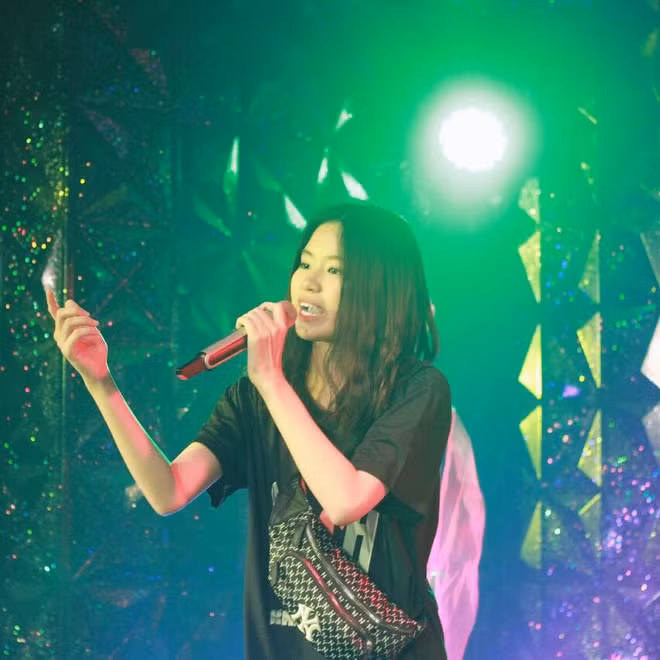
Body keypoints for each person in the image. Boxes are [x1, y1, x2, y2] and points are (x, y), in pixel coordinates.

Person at [46, 202, 452, 659]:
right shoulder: (255, 398)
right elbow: (168, 491)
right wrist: (100, 382)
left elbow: (346, 500)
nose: (309, 282)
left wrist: (271, 380)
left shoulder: (416, 390)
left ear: (381, 288)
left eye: (335, 270)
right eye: (305, 264)